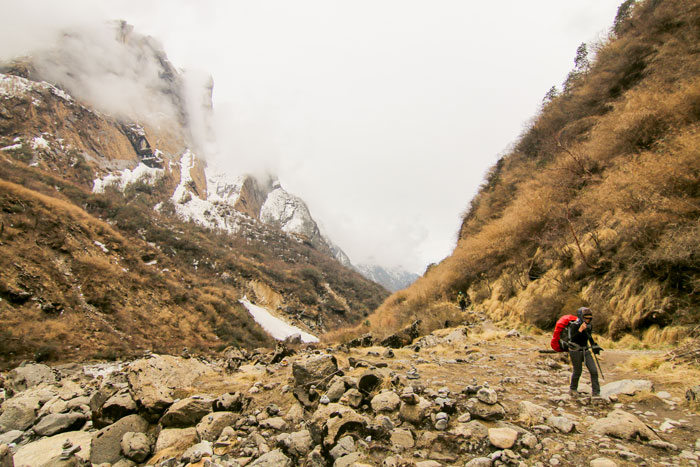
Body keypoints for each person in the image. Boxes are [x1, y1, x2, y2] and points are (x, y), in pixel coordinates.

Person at [564, 307, 602, 397]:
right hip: (575, 351)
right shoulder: (574, 325)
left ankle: (596, 392)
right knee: (577, 371)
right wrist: (580, 330)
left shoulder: (589, 326)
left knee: (594, 371)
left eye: (589, 318)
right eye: (586, 318)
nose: (588, 320)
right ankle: (573, 389)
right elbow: (572, 338)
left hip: (586, 350)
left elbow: (589, 336)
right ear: (581, 316)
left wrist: (594, 345)